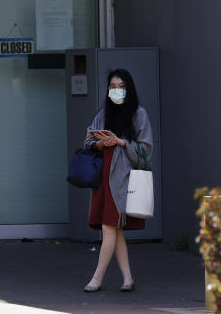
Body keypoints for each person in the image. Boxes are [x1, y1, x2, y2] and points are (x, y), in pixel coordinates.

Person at [82, 68, 153, 293]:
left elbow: (146, 149)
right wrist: (100, 144)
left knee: (108, 227)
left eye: (121, 86)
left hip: (122, 178)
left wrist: (121, 142)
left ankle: (97, 278)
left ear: (129, 89)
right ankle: (128, 279)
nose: (117, 90)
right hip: (103, 176)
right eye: (113, 87)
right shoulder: (103, 114)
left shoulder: (139, 114)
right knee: (114, 229)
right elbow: (88, 141)